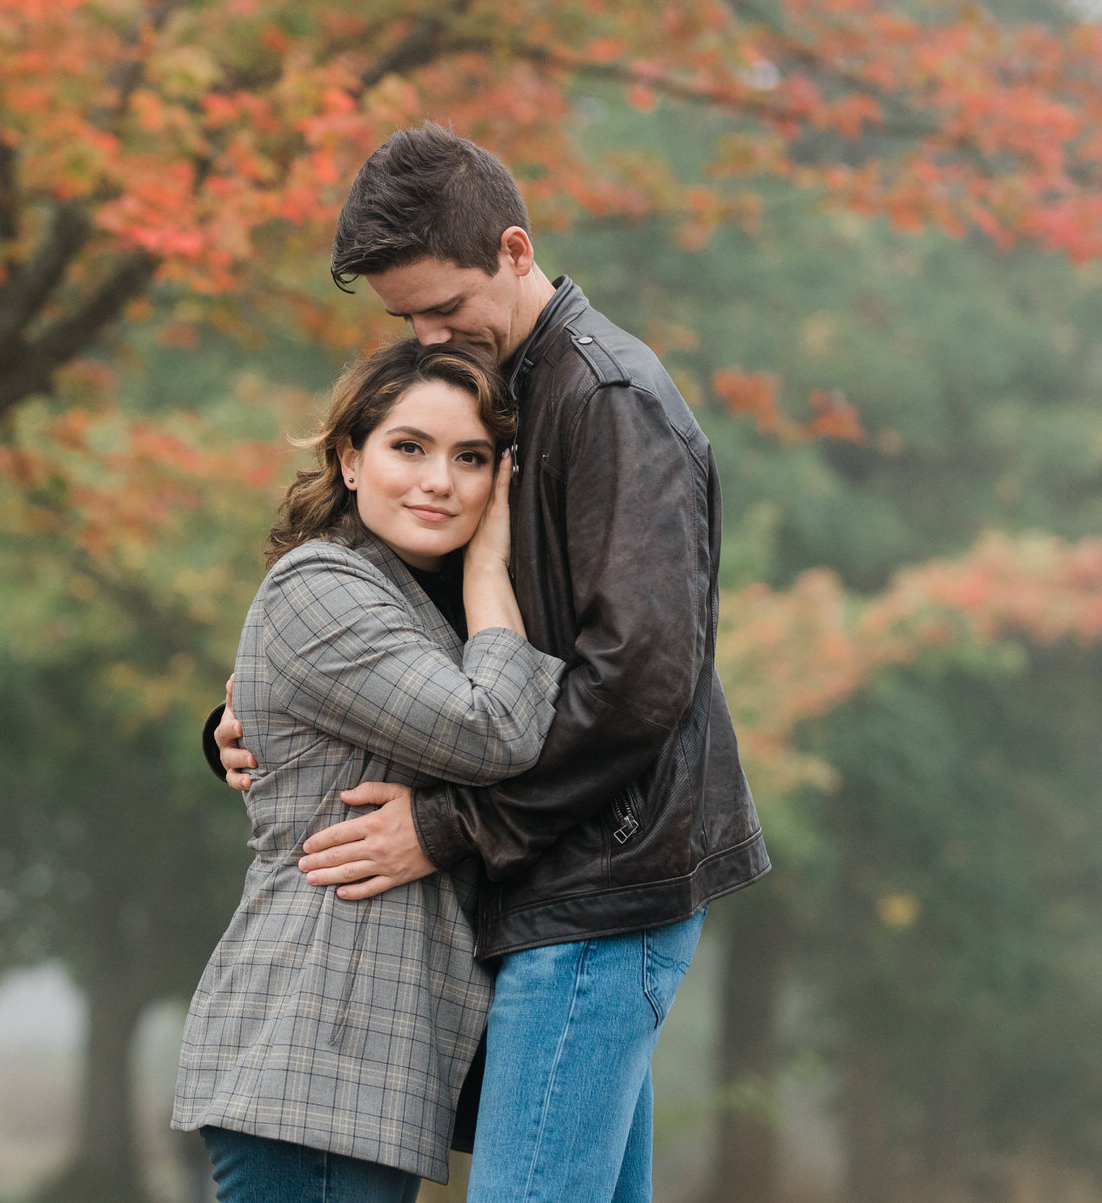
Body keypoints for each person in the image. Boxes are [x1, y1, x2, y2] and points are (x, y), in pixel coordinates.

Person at [207, 124, 770, 1203]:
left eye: (442, 307)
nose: (425, 335)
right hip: (544, 888)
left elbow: (641, 678)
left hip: (600, 884)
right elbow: (405, 624)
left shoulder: (605, 399)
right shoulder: (503, 390)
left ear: (514, 250)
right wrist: (252, 717)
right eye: (403, 318)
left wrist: (453, 826)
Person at [171, 339, 567, 1201]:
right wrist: (493, 568)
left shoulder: (432, 599)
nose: (439, 481)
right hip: (309, 1053)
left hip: (371, 1060)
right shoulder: (322, 584)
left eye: (471, 458)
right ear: (350, 459)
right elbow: (493, 728)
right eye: (408, 447)